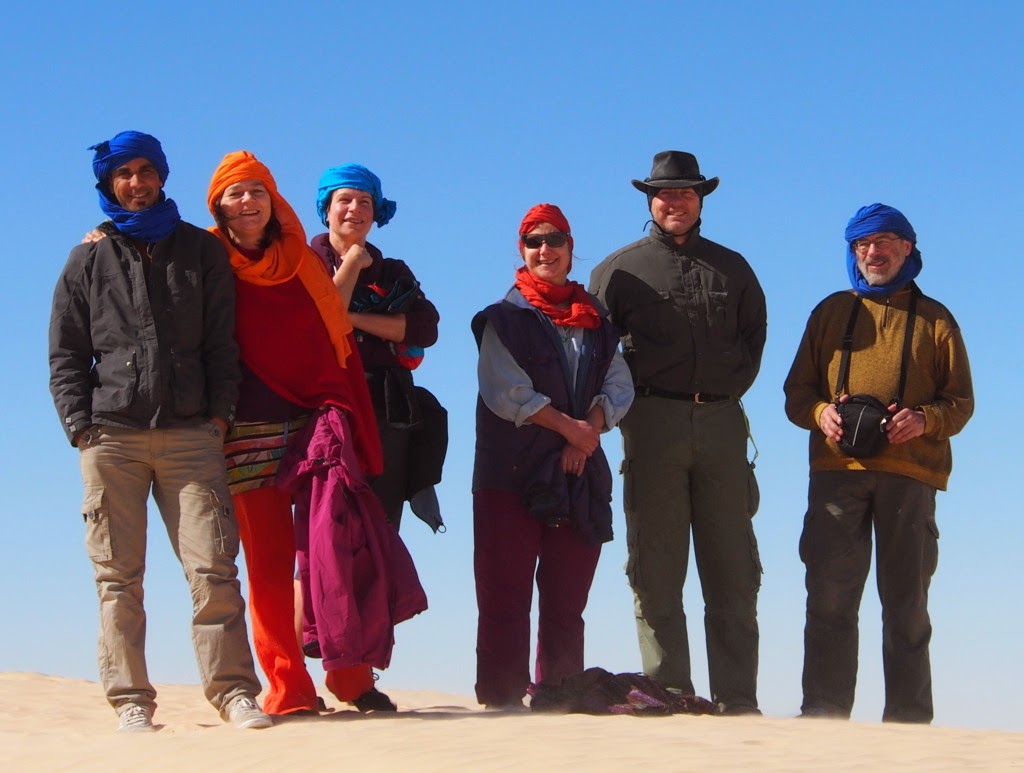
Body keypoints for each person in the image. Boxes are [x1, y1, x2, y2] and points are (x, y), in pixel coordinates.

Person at [48, 130, 271, 732]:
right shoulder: (86, 259)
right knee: (118, 580)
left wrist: (218, 417)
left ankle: (234, 693)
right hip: (111, 438)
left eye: (146, 171)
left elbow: (223, 344)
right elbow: (66, 353)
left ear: (162, 177)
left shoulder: (200, 250)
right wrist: (80, 427)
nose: (136, 183)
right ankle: (131, 703)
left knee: (214, 570)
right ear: (108, 182)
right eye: (124, 173)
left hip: (191, 435)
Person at [207, 151, 426, 716]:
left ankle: (351, 679)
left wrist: (342, 409)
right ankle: (288, 687)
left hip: (315, 423)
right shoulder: (205, 259)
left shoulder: (300, 261)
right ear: (218, 206)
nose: (249, 202)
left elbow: (335, 334)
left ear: (274, 199)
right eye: (236, 193)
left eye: (258, 190)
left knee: (336, 548)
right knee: (269, 565)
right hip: (245, 426)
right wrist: (102, 239)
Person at [589, 151, 767, 715]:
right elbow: (595, 351)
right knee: (657, 568)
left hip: (722, 425)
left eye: (686, 192)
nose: (675, 202)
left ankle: (738, 700)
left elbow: (754, 340)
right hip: (652, 424)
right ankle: (670, 695)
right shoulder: (618, 271)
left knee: (733, 570)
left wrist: (722, 392)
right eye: (665, 193)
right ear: (650, 200)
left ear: (701, 199)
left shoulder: (734, 268)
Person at [784, 203, 974, 723]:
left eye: (884, 242)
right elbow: (796, 394)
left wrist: (924, 420)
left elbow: (961, 403)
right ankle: (823, 714)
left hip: (911, 476)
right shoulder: (829, 312)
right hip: (836, 475)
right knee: (829, 599)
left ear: (907, 248)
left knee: (907, 604)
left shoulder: (937, 319)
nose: (873, 252)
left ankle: (909, 723)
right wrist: (822, 413)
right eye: (862, 244)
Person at [472, 204, 634, 708]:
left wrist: (587, 433)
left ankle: (560, 697)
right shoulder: (503, 319)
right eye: (534, 241)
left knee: (567, 597)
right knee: (504, 593)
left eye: (555, 239)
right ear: (521, 250)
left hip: (577, 474)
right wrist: (572, 430)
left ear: (570, 246)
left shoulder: (597, 322)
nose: (546, 250)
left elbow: (618, 384)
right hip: (510, 474)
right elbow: (506, 389)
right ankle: (501, 699)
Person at [310, 164, 443, 532]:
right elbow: (321, 325)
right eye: (345, 200)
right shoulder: (303, 265)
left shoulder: (393, 271)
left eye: (365, 201)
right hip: (323, 410)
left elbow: (425, 328)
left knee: (380, 528)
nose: (355, 208)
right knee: (327, 528)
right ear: (326, 209)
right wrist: (353, 261)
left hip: (386, 411)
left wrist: (351, 318)